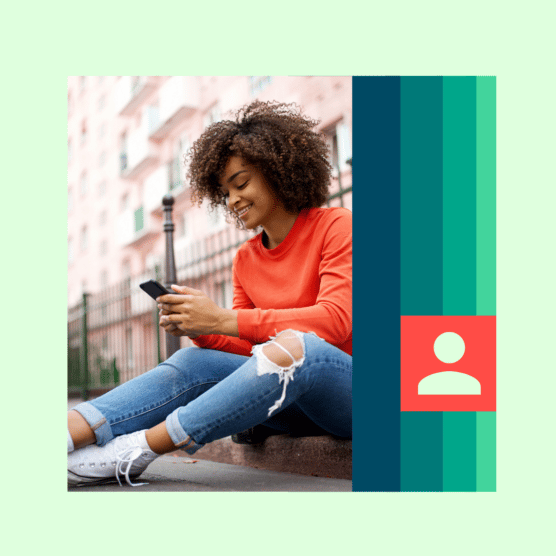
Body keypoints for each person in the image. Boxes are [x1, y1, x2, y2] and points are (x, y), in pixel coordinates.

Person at [67, 100, 352, 487]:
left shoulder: (338, 226)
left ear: (278, 172)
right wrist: (199, 326)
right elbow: (243, 346)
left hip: (348, 395)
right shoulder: (245, 259)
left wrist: (223, 319)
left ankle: (138, 449)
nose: (233, 200)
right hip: (287, 401)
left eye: (242, 183)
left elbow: (335, 323)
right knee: (196, 361)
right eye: (225, 192)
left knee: (299, 348)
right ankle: (68, 433)